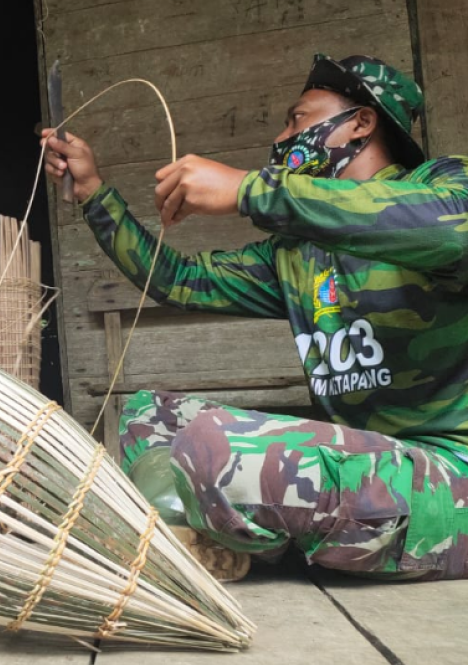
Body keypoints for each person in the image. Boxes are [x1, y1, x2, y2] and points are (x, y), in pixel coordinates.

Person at [43, 53, 468, 581]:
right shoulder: (295, 252)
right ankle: (200, 543)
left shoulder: (445, 186)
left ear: (360, 122)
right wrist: (92, 193)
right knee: (150, 416)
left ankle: (211, 535)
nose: (283, 136)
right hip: (365, 461)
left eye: (298, 118)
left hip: (451, 481)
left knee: (214, 447)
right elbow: (175, 278)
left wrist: (250, 190)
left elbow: (448, 229)